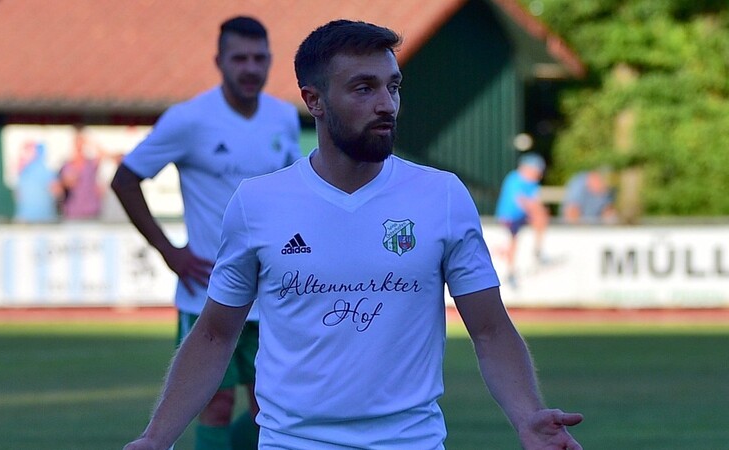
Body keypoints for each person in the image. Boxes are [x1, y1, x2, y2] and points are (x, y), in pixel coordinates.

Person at [123, 19, 582, 450]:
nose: (386, 103)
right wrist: (156, 438)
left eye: (393, 86)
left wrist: (527, 416)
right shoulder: (257, 203)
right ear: (314, 100)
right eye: (364, 88)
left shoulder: (441, 196)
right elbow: (214, 336)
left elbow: (489, 328)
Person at [112, 16, 301, 450]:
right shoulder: (189, 119)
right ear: (219, 61)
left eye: (259, 58)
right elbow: (125, 179)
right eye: (240, 58)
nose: (250, 68)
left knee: (271, 411)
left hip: (271, 289)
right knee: (214, 406)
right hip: (207, 291)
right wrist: (169, 251)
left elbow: (290, 188)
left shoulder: (283, 118)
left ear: (271, 60)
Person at [494, 153, 550, 288]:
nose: (539, 175)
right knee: (513, 242)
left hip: (520, 217)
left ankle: (538, 250)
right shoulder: (515, 179)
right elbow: (524, 202)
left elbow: (533, 203)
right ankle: (511, 271)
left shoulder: (532, 184)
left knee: (540, 218)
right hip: (508, 217)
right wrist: (538, 211)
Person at [59, 125, 103, 220]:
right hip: (72, 213)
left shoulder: (91, 164)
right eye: (76, 142)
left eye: (81, 142)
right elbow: (64, 185)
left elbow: (101, 153)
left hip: (91, 212)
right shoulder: (67, 165)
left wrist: (89, 141)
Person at [14, 141, 62, 223]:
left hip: (42, 219)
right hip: (30, 219)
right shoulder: (24, 172)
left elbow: (57, 192)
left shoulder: (44, 171)